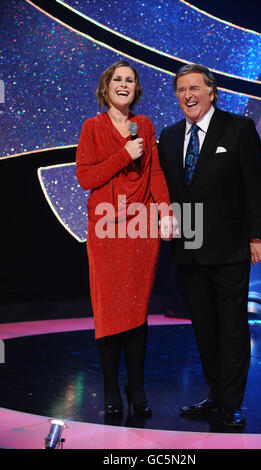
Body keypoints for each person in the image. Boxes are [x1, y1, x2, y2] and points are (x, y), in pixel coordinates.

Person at [158, 64, 261, 427]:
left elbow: (255, 184)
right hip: (188, 247)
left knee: (232, 327)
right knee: (204, 328)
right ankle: (216, 394)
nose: (187, 95)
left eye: (194, 88)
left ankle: (232, 402)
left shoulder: (239, 128)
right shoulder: (170, 136)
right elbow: (170, 192)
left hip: (230, 248)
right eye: (180, 90)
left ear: (211, 92)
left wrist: (257, 236)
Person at [76, 61, 174, 417]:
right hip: (106, 229)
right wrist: (123, 155)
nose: (123, 84)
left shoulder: (144, 125)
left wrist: (166, 212)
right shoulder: (92, 127)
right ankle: (111, 389)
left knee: (135, 310)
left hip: (141, 229)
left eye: (129, 80)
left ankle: (137, 386)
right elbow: (85, 178)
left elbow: (157, 172)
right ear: (106, 87)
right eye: (117, 79)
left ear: (136, 89)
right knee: (108, 311)